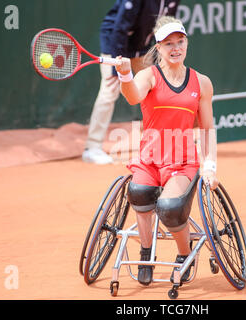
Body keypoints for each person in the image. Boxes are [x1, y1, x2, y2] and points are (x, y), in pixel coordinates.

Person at [114, 16, 219, 285]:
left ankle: (185, 255)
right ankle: (146, 252)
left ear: (186, 43)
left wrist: (210, 165)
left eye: (180, 42)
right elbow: (133, 96)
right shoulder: (148, 75)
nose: (175, 48)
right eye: (168, 43)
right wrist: (125, 75)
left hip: (182, 161)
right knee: (138, 192)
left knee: (170, 208)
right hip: (149, 159)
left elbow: (207, 128)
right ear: (157, 48)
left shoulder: (202, 83)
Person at [83, 0, 181, 164]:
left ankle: (167, 141)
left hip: (141, 46)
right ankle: (92, 148)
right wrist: (117, 67)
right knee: (110, 90)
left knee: (158, 86)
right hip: (115, 43)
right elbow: (120, 28)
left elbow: (167, 26)